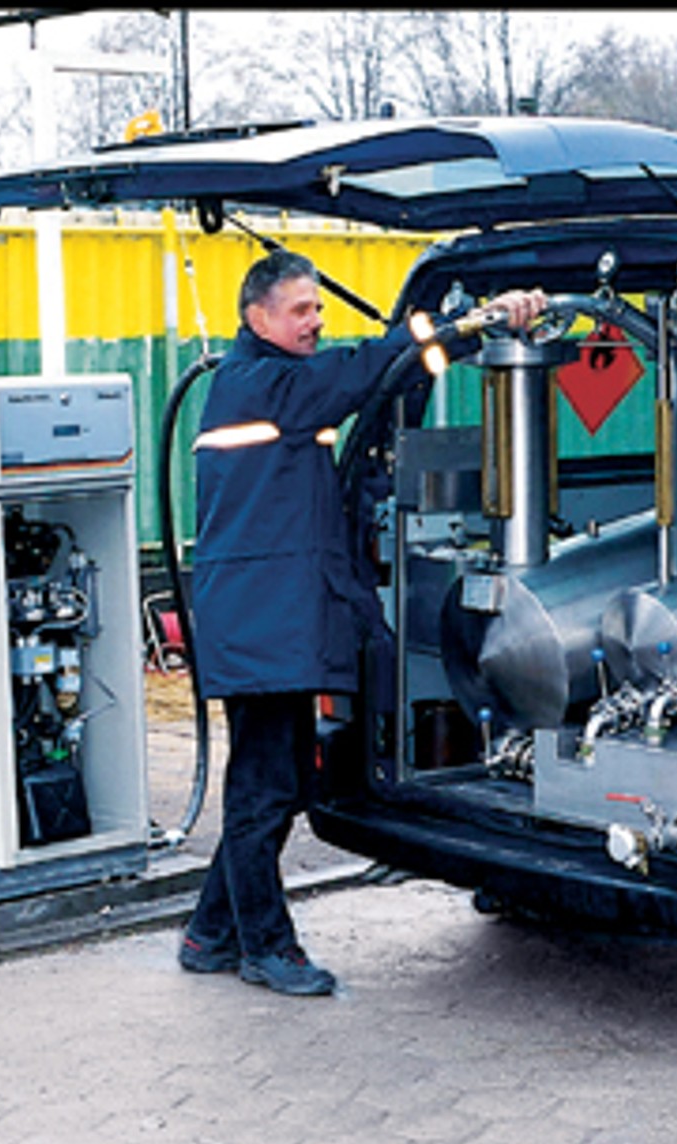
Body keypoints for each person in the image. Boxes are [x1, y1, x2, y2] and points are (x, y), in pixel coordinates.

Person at [177, 247, 545, 996]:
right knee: (265, 790)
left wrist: (455, 336)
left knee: (271, 782)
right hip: (261, 624)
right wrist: (472, 320)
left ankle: (211, 932)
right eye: (300, 310)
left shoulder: (261, 382)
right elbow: (366, 370)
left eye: (317, 307)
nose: (315, 321)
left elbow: (382, 374)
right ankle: (266, 949)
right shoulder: (267, 384)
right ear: (258, 318)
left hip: (268, 614)